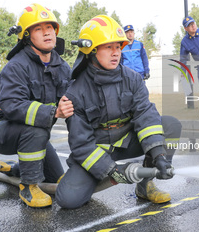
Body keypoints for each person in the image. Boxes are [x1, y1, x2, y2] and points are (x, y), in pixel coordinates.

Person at [56, 15, 182, 209]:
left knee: (170, 124)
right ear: (91, 50)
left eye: (118, 47)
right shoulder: (75, 92)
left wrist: (159, 156)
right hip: (96, 151)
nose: (116, 53)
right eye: (109, 47)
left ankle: (145, 185)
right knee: (68, 200)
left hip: (127, 143)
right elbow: (81, 144)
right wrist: (111, 170)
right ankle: (87, 178)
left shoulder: (132, 78)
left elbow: (146, 116)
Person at [0, 3, 74, 208]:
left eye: (49, 28)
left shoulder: (62, 66)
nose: (47, 33)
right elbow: (12, 105)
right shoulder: (16, 66)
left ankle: (13, 169)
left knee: (59, 179)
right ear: (26, 36)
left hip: (36, 132)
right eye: (39, 29)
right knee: (37, 132)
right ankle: (28, 186)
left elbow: (74, 101)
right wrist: (53, 111)